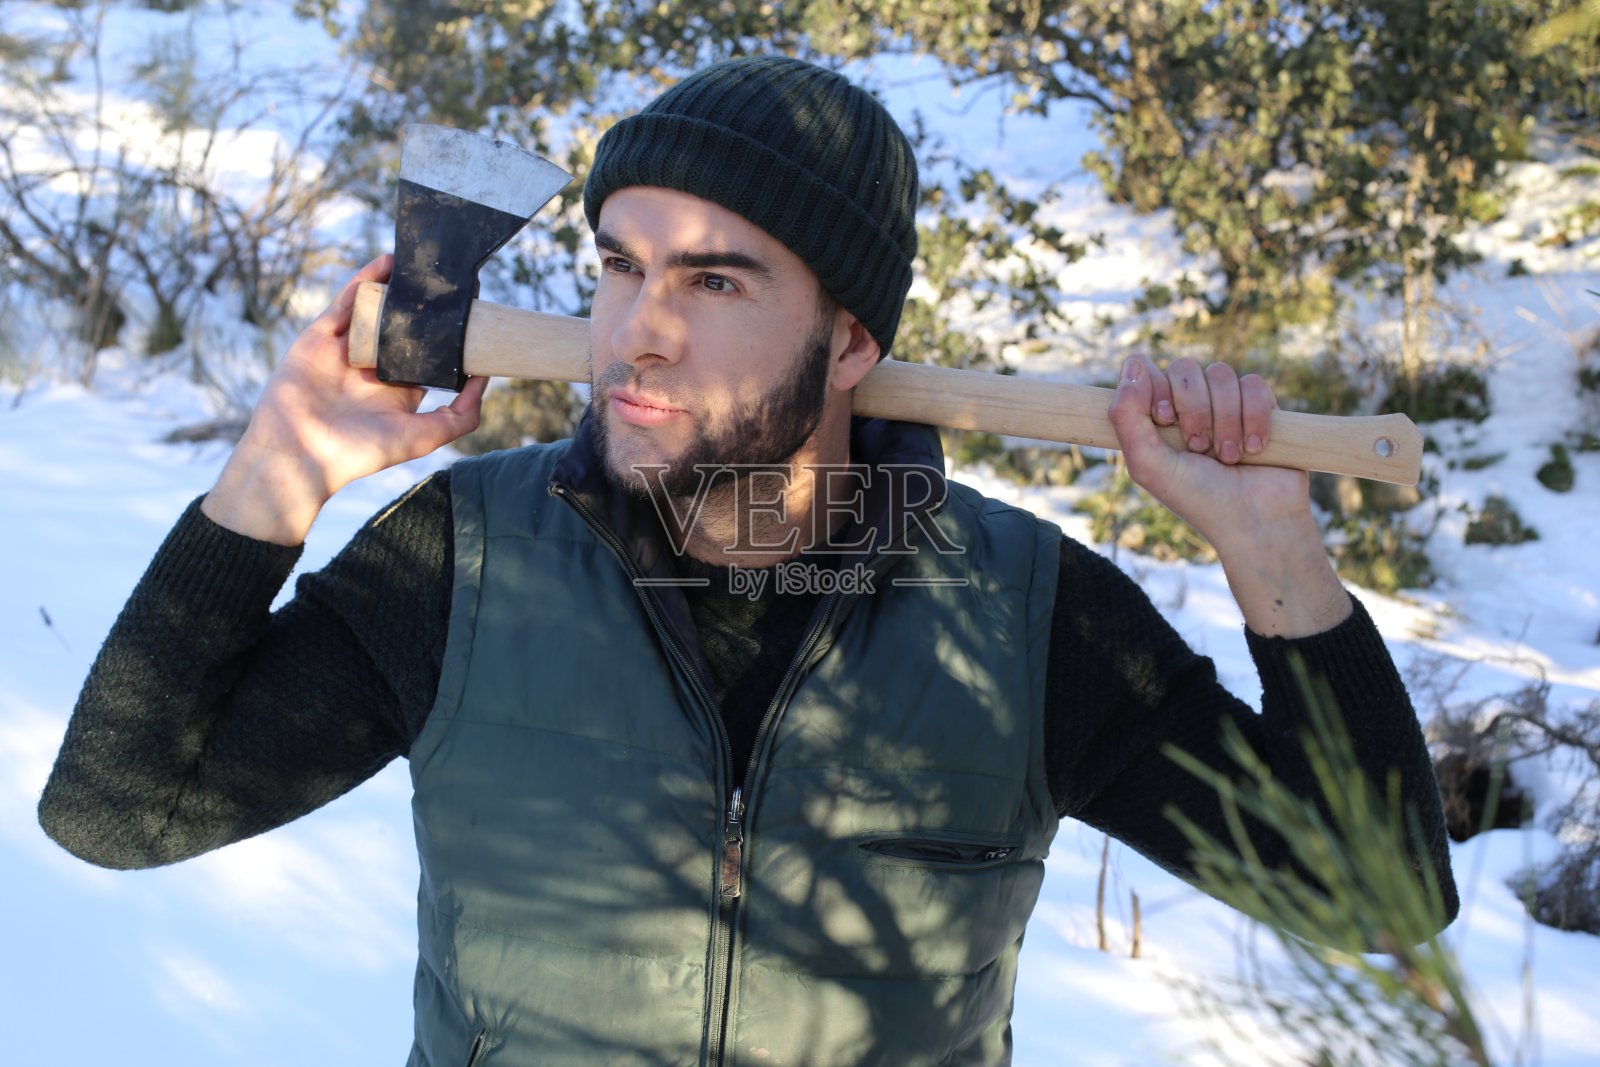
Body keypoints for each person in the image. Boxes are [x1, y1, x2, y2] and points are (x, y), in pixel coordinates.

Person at [38, 55, 1456, 1066]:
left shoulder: (1023, 616)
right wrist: (272, 474)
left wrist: (1274, 549)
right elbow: (121, 812)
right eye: (618, 263)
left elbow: (1374, 898)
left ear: (851, 344)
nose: (635, 332)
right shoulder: (465, 561)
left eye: (714, 280)